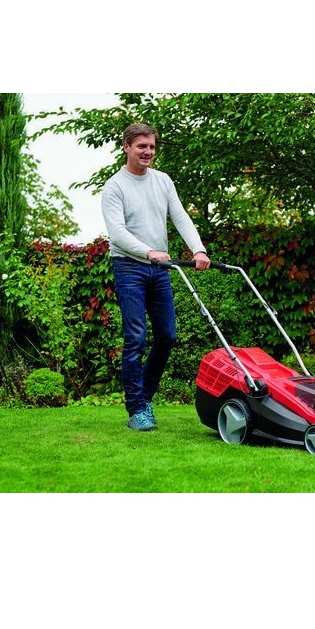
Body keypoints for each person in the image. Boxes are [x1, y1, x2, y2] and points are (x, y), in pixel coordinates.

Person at [101, 123, 211, 432]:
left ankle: (145, 397)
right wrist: (148, 251)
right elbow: (117, 233)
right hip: (129, 267)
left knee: (167, 336)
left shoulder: (163, 181)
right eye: (141, 146)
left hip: (159, 269)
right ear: (126, 147)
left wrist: (198, 249)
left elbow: (180, 216)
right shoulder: (115, 186)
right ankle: (137, 409)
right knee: (135, 338)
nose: (148, 151)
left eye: (151, 146)